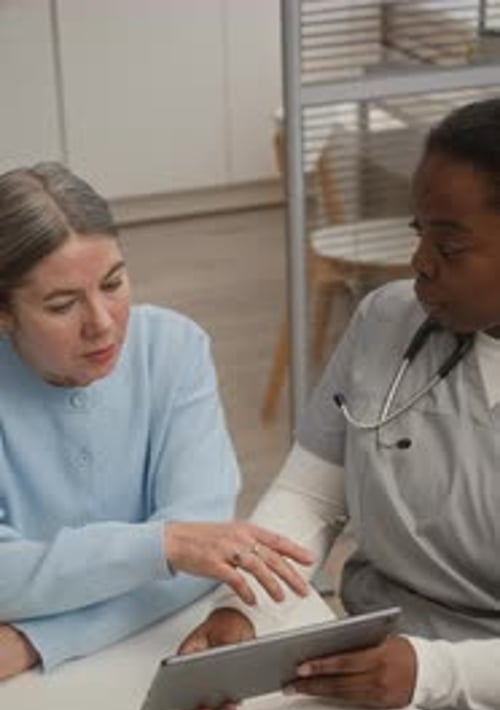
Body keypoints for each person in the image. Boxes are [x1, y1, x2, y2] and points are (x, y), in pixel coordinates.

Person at [180, 97, 500, 710]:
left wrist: (427, 670)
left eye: (450, 244)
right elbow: (309, 497)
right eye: (419, 233)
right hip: (356, 669)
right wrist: (246, 612)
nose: (419, 263)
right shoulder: (386, 321)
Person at [0, 162, 313, 683]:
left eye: (113, 283)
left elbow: (205, 555)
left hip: (149, 647)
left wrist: (42, 638)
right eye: (61, 305)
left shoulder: (174, 348)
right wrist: (166, 547)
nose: (102, 323)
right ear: (4, 312)